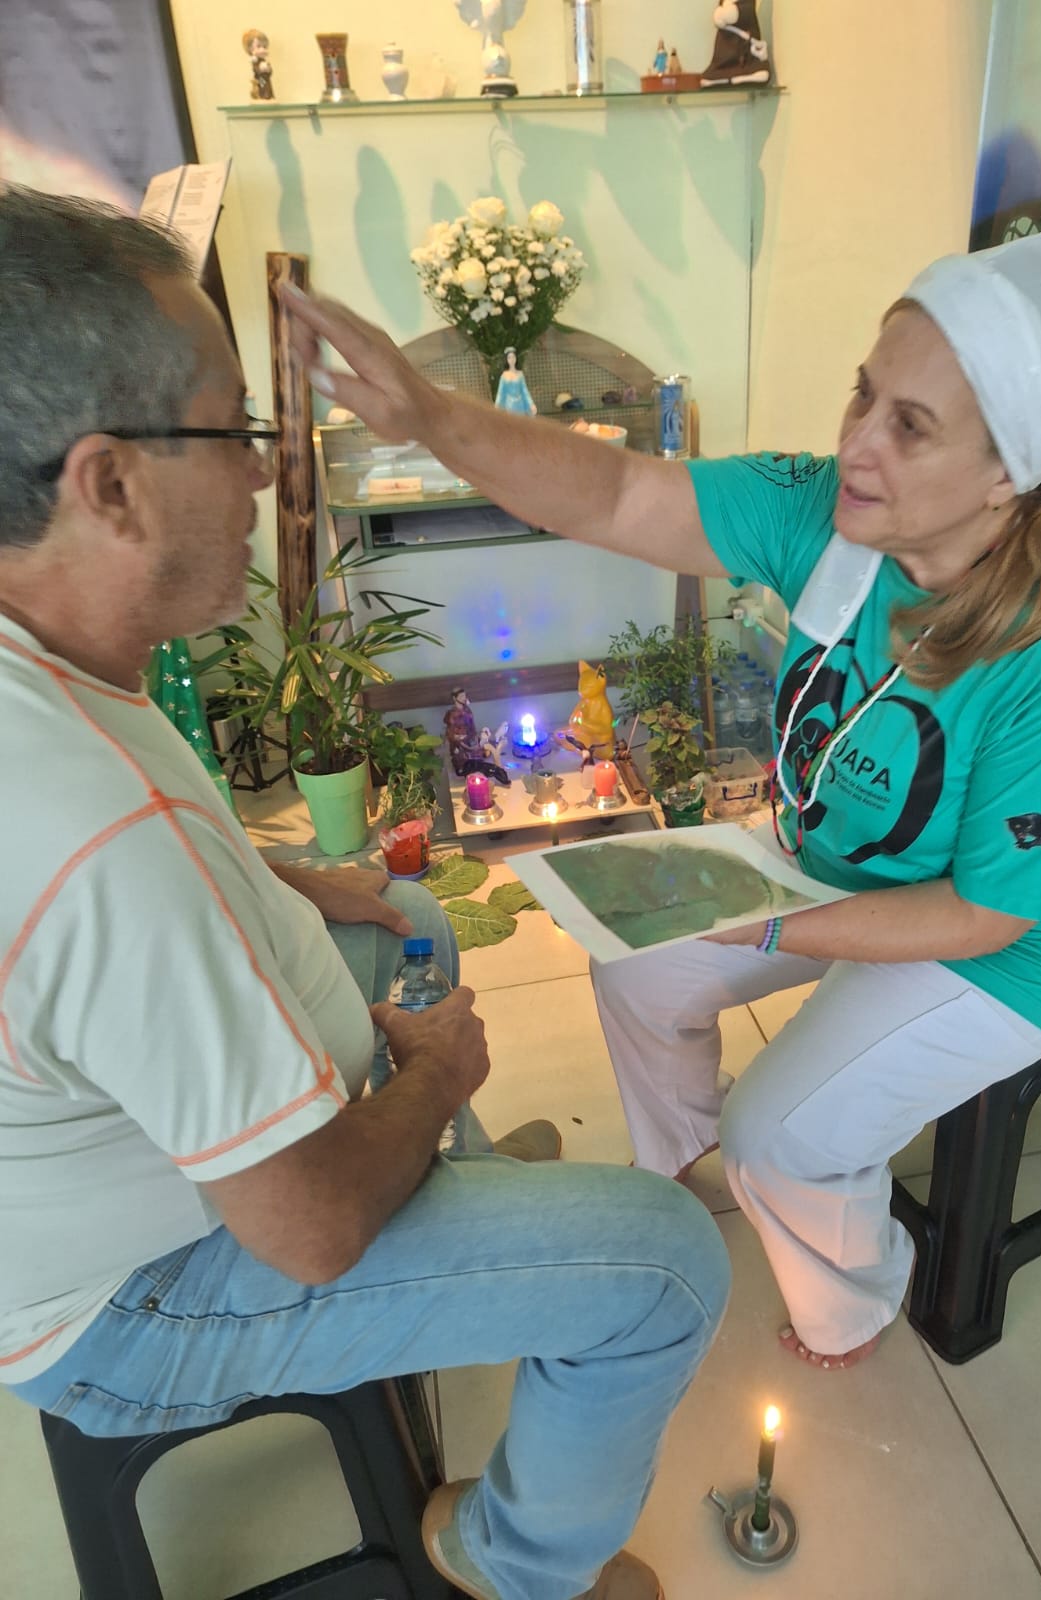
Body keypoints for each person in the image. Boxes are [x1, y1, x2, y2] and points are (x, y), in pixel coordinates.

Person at [0, 188, 732, 1600]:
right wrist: (434, 1076)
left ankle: (457, 1181)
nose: (266, 474)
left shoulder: (52, 663)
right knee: (665, 1263)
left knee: (407, 916)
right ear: (110, 484)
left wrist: (280, 878)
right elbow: (310, 1229)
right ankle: (514, 1567)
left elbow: (94, 927)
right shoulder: (99, 837)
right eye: (234, 431)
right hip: (136, 1299)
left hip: (117, 1154)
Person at [284, 223, 1041, 1374]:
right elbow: (615, 491)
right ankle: (684, 1156)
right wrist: (433, 419)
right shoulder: (837, 518)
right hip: (830, 855)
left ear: (1013, 472)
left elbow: (985, 914)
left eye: (911, 425)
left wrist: (758, 919)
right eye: (864, 394)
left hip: (1005, 952)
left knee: (780, 1135)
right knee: (636, 963)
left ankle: (851, 1301)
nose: (857, 441)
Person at [494, 346, 537, 416]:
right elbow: (500, 392)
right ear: (506, 360)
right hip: (508, 406)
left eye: (513, 357)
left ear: (516, 358)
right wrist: (497, 405)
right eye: (509, 357)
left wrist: (531, 404)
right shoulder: (504, 375)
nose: (512, 359)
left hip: (520, 405)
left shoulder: (520, 374)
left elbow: (525, 391)